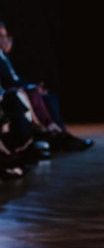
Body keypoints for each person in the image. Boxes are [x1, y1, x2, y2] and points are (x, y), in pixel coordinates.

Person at [0, 22, 93, 152]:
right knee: (31, 95)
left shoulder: (4, 56)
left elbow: (17, 78)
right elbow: (9, 82)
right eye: (1, 36)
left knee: (49, 96)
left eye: (6, 36)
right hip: (10, 93)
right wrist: (29, 87)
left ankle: (60, 133)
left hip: (17, 90)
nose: (6, 40)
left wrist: (31, 85)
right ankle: (52, 131)